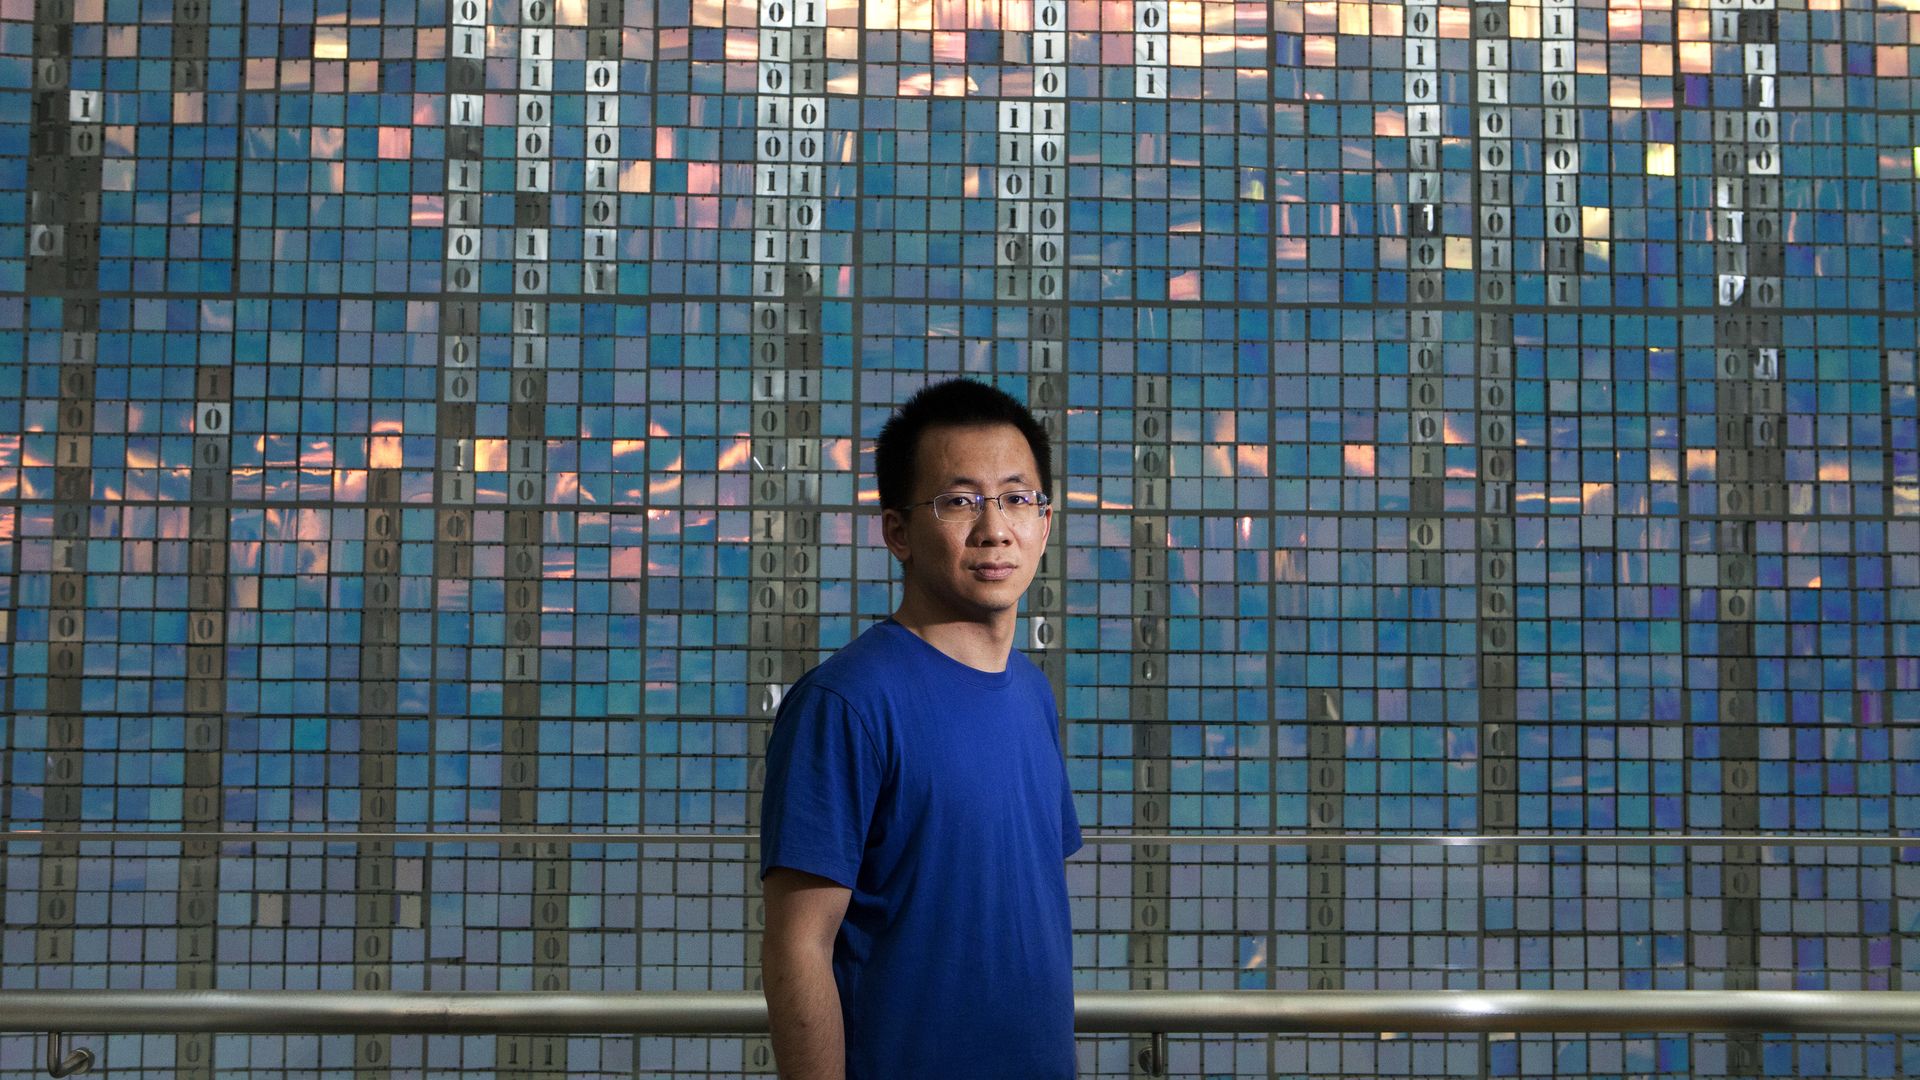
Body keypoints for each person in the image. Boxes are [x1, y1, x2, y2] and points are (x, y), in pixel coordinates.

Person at [758, 377, 1081, 1080]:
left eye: (1018, 499)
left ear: (1045, 521)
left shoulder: (1033, 694)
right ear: (898, 532)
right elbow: (797, 948)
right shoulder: (845, 704)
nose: (995, 529)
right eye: (959, 501)